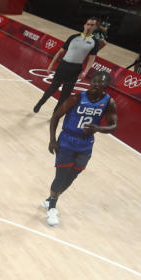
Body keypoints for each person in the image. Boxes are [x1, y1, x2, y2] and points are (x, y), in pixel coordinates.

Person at [40, 71, 117, 227]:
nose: (96, 85)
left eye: (100, 83)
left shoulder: (109, 102)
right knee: (61, 175)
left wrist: (98, 128)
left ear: (105, 86)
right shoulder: (76, 98)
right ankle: (52, 209)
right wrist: (53, 139)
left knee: (72, 176)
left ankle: (51, 198)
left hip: (86, 143)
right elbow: (56, 116)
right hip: (68, 140)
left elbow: (113, 125)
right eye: (94, 81)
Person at [32, 17, 100, 113]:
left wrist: (85, 72)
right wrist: (51, 65)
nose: (89, 26)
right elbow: (60, 52)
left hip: (75, 69)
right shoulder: (73, 37)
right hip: (63, 66)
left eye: (92, 25)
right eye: (88, 24)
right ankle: (39, 104)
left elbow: (92, 58)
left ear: (95, 27)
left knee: (65, 94)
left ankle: (56, 113)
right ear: (84, 25)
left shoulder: (94, 42)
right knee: (52, 88)